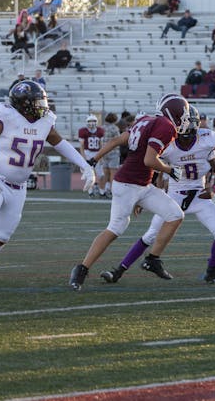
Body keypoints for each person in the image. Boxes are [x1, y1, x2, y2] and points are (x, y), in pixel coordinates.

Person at [69, 94, 190, 290]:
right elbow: (149, 160)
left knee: (175, 215)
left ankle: (152, 259)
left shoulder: (146, 120)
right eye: (183, 114)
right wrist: (170, 170)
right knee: (116, 228)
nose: (185, 119)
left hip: (141, 185)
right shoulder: (166, 126)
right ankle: (81, 269)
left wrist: (95, 159)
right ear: (174, 112)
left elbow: (118, 140)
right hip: (127, 185)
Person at [100, 106, 215, 285]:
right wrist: (143, 193)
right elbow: (152, 167)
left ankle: (212, 272)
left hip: (199, 196)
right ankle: (118, 271)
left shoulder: (207, 140)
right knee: (150, 235)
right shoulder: (168, 144)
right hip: (175, 195)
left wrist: (214, 189)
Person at [0, 81, 95, 262]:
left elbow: (60, 143)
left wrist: (84, 165)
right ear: (22, 103)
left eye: (42, 102)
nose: (42, 107)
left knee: (2, 236)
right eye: (37, 103)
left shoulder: (45, 122)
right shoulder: (3, 116)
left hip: (19, 187)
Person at [79, 115, 106, 198]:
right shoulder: (83, 131)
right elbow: (82, 146)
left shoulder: (100, 131)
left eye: (93, 121)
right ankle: (90, 192)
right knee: (89, 174)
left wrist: (101, 156)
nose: (91, 123)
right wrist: (83, 157)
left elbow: (101, 145)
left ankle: (102, 192)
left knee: (101, 174)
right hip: (88, 152)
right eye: (90, 121)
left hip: (97, 153)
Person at [101, 112, 121, 199]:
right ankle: (113, 192)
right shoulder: (115, 128)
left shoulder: (102, 128)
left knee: (105, 173)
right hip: (113, 152)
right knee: (113, 173)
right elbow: (119, 140)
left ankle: (102, 190)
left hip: (104, 151)